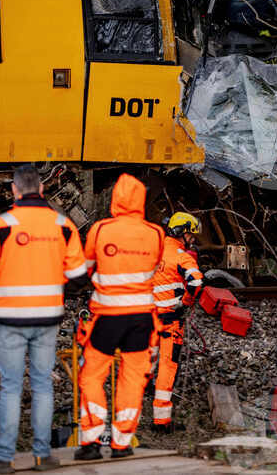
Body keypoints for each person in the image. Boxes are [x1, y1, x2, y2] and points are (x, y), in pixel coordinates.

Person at [0, 165, 89, 473]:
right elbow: (79, 278)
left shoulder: (0, 225)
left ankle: (5, 458)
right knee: (42, 386)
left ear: (14, 190)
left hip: (9, 317)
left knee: (10, 387)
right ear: (41, 188)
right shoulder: (63, 225)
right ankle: (42, 455)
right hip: (48, 317)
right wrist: (56, 287)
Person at [75, 174, 164, 460]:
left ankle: (90, 442)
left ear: (115, 198)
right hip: (142, 318)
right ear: (141, 200)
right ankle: (121, 443)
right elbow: (154, 268)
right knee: (132, 378)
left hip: (107, 317)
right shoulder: (155, 234)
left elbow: (85, 269)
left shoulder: (101, 230)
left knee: (91, 376)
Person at [151, 211, 204, 432]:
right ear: (182, 233)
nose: (192, 240)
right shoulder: (182, 257)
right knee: (167, 366)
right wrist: (185, 302)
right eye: (191, 235)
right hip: (170, 320)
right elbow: (197, 282)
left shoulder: (154, 248)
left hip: (146, 317)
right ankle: (161, 421)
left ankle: (131, 410)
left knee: (144, 362)